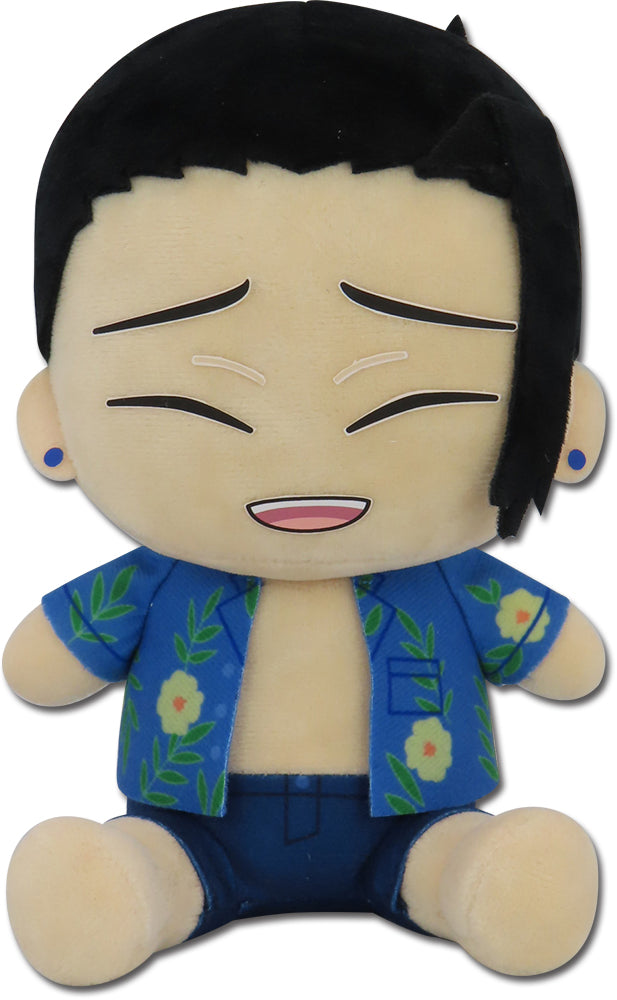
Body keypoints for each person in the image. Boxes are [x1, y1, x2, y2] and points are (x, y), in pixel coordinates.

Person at [3, 2, 606, 985]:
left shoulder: (449, 581)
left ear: (563, 411)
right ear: (53, 418)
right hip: (191, 826)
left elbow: (568, 663)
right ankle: (137, 887)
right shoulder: (155, 582)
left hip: (412, 823)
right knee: (138, 871)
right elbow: (37, 668)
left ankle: (469, 878)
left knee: (467, 861)